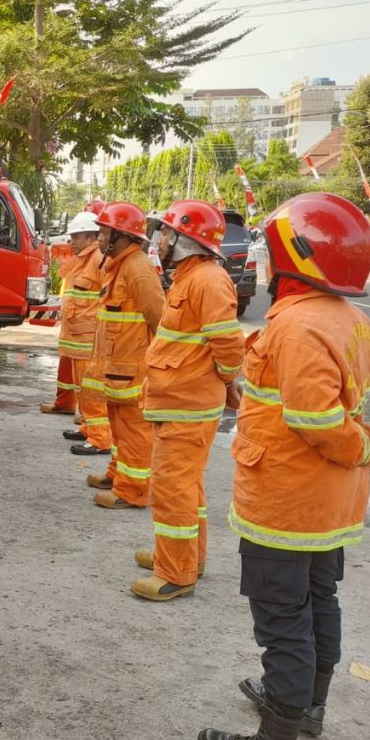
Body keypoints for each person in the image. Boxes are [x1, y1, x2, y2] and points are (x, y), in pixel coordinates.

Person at [199, 193, 370, 740]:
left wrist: (357, 447)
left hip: (288, 502)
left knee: (285, 618)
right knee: (317, 600)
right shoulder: (347, 318)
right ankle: (308, 706)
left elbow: (317, 420)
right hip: (326, 503)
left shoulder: (299, 325)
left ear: (290, 256)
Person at [131, 201, 244, 601]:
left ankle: (176, 573)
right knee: (187, 487)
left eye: (164, 232)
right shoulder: (191, 278)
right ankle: (185, 557)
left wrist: (227, 379)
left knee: (172, 488)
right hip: (180, 401)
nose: (159, 239)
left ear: (183, 239)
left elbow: (228, 343)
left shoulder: (207, 280)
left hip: (188, 406)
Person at [86, 202, 164, 510]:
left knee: (133, 430)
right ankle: (118, 476)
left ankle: (132, 491)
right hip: (117, 368)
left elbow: (160, 318)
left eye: (104, 232)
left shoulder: (137, 268)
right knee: (119, 427)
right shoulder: (118, 266)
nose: (100, 239)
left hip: (133, 370)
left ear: (121, 236)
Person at [56, 207, 111, 457]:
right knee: (83, 389)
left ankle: (100, 439)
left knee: (92, 391)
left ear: (91, 237)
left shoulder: (99, 259)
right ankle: (89, 428)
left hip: (89, 340)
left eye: (76, 237)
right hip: (78, 339)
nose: (72, 241)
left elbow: (110, 295)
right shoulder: (83, 261)